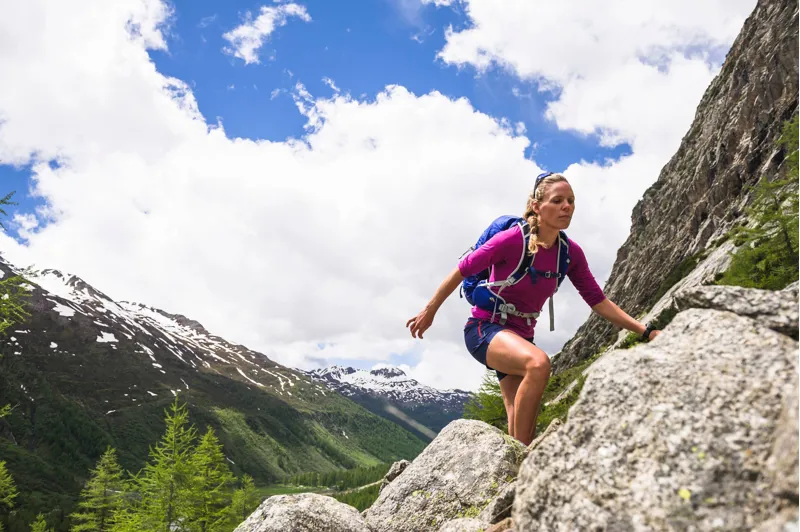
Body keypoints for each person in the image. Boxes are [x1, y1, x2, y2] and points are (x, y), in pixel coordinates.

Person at [405, 172, 660, 446]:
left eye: (571, 201)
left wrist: (646, 331)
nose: (567, 207)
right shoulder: (513, 240)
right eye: (558, 200)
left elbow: (598, 301)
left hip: (521, 337)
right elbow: (463, 269)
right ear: (537, 206)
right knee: (538, 364)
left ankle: (513, 473)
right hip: (485, 330)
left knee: (518, 420)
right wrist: (429, 311)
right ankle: (524, 466)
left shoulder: (570, 253)